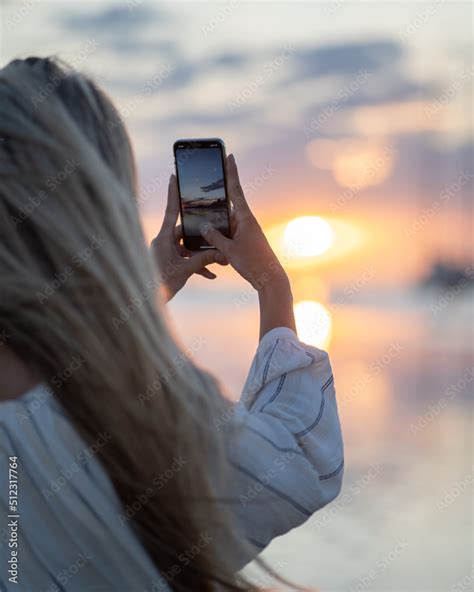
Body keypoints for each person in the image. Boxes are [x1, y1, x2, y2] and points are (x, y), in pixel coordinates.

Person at [0, 57, 344, 591]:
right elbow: (296, 464)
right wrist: (273, 285)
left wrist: (140, 294)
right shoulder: (144, 413)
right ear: (102, 200)